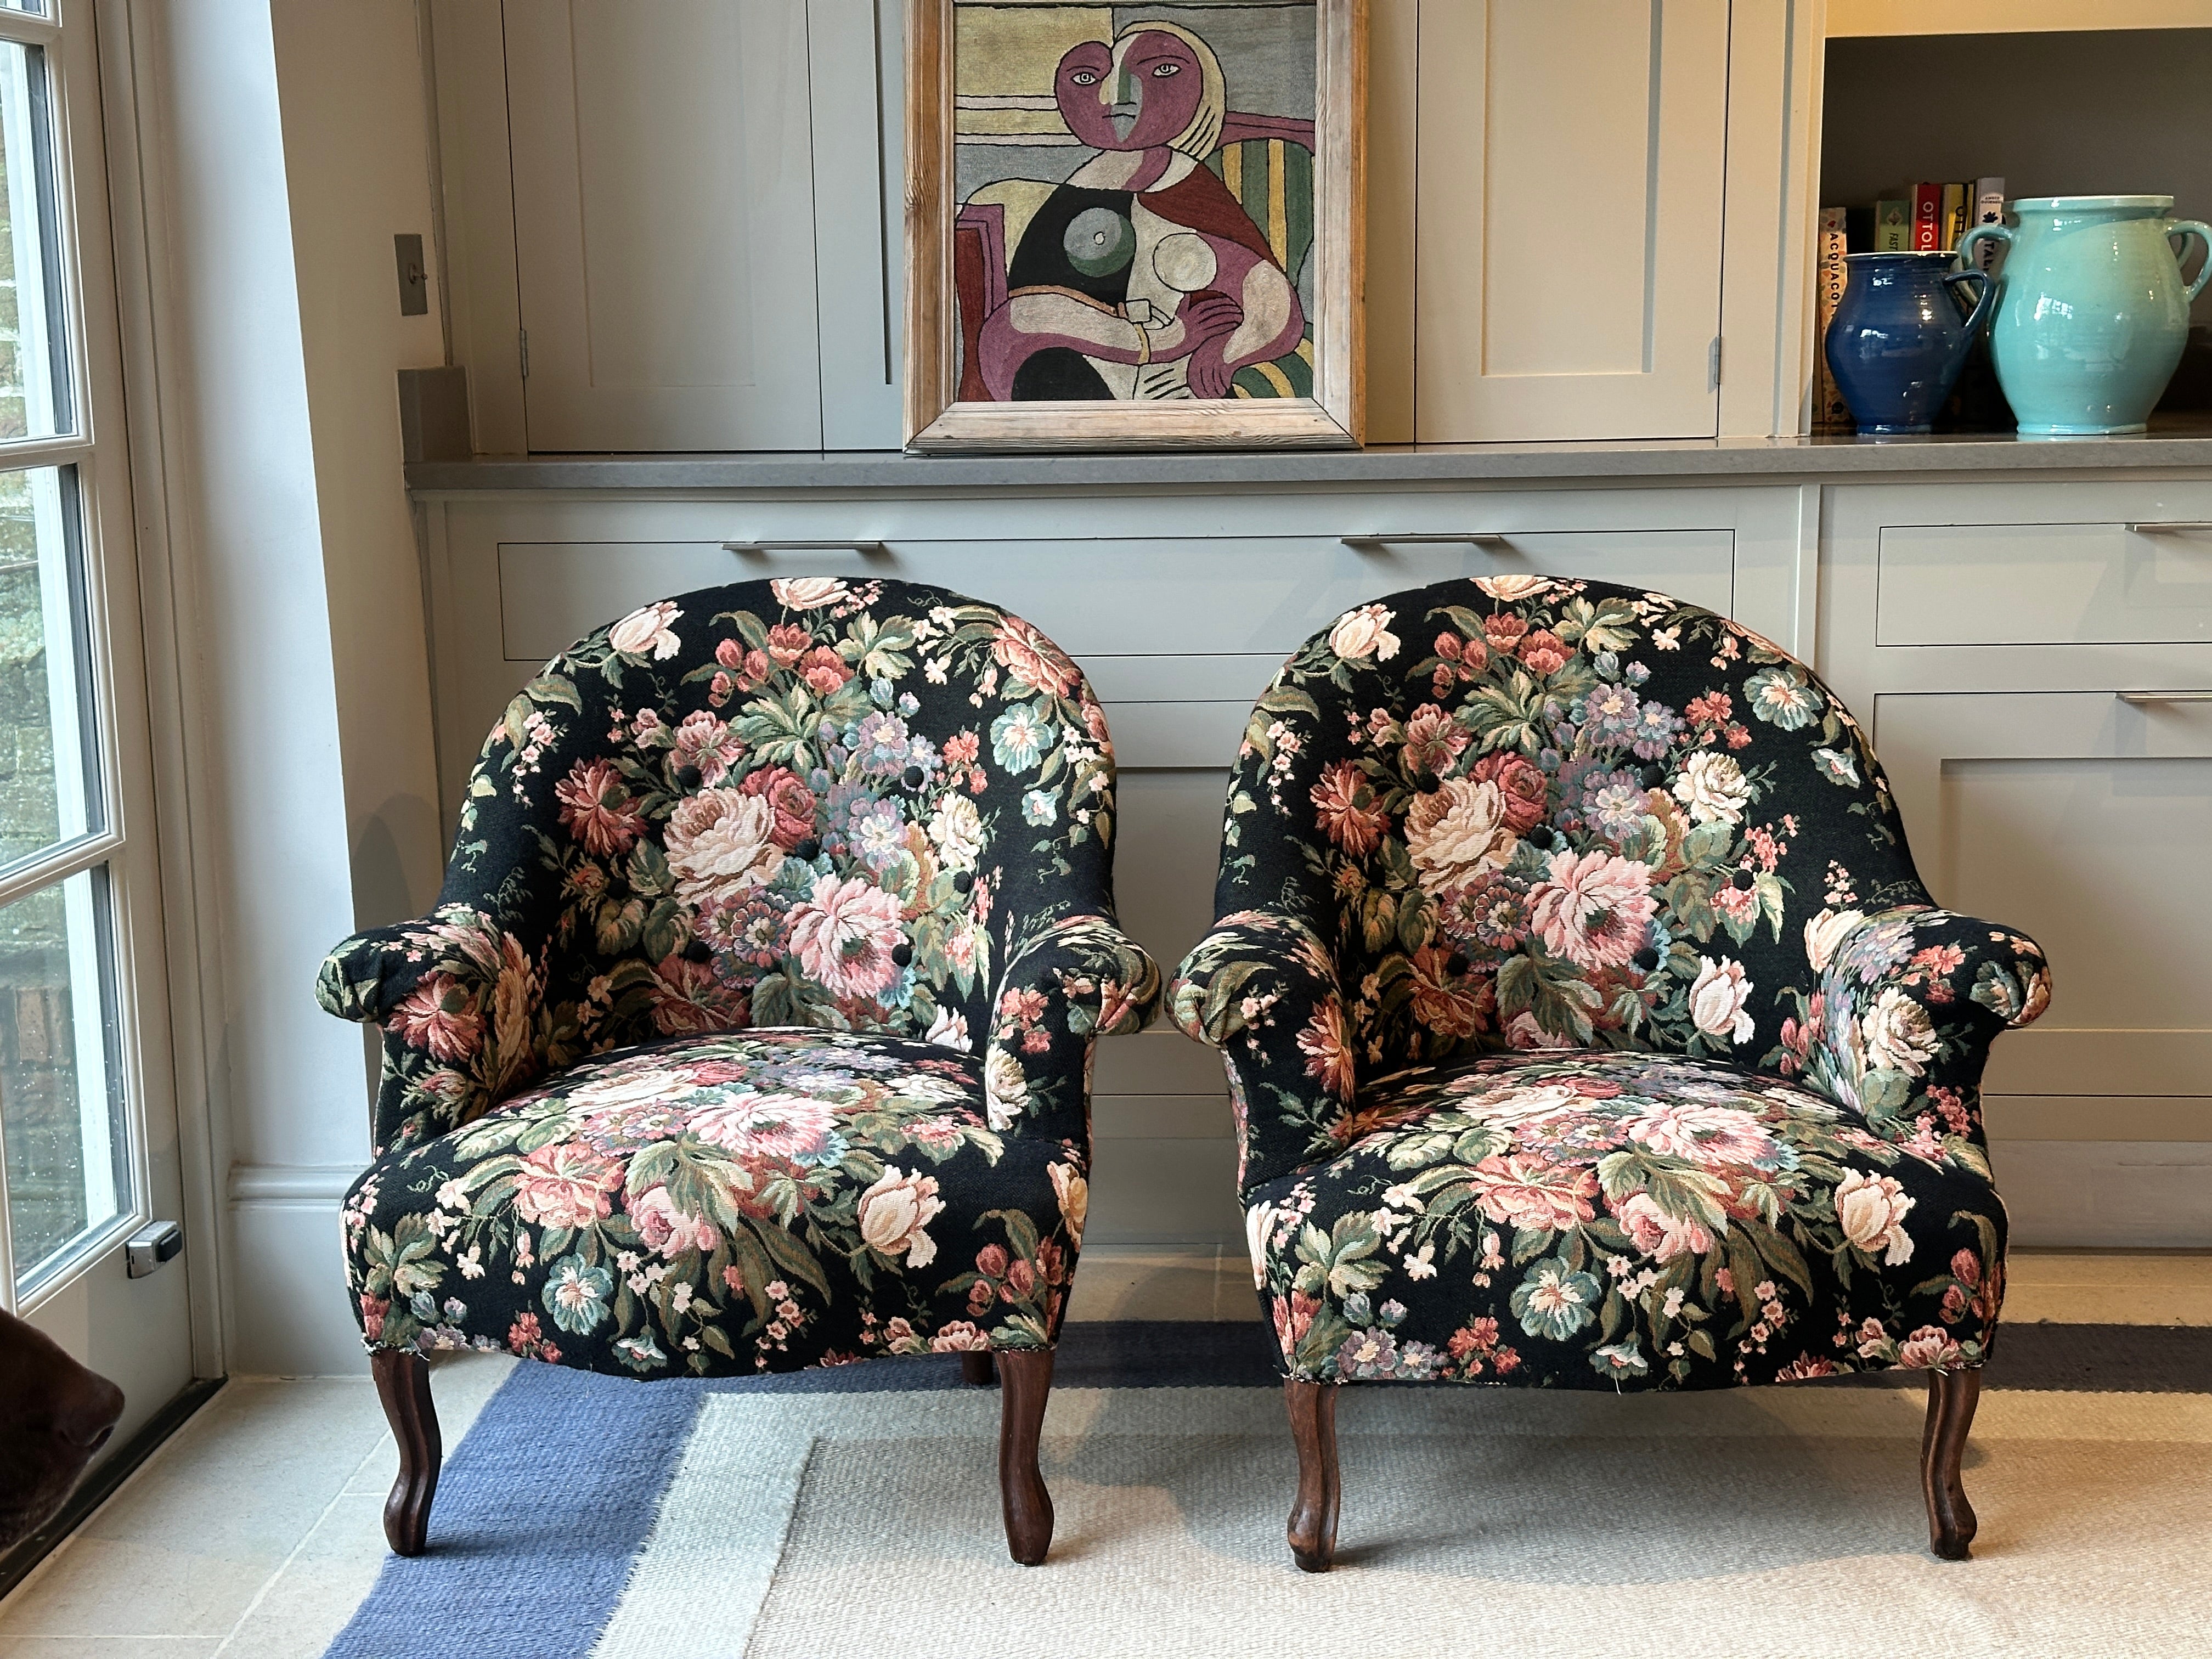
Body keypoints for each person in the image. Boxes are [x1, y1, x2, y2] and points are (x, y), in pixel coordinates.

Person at [974, 21, 1305, 401]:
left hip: (1171, 384)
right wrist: (1161, 341)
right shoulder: (1078, 191)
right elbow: (1022, 320)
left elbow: (1271, 301)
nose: (1118, 97)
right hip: (1081, 372)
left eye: (1161, 71)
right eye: (1087, 77)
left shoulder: (1188, 187)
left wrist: (1226, 354)